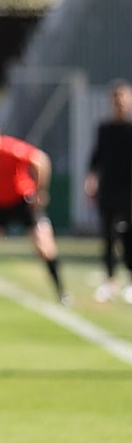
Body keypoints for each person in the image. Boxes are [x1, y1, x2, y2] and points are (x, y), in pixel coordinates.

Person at [0, 110, 69, 306]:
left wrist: (40, 191)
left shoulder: (10, 149)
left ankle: (61, 292)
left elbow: (41, 161)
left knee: (44, 247)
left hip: (22, 201)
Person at [84, 80, 132, 303]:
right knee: (108, 236)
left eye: (123, 99)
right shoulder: (104, 129)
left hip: (129, 191)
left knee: (128, 237)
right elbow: (96, 159)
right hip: (109, 189)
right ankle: (110, 281)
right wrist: (91, 181)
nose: (119, 103)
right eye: (116, 99)